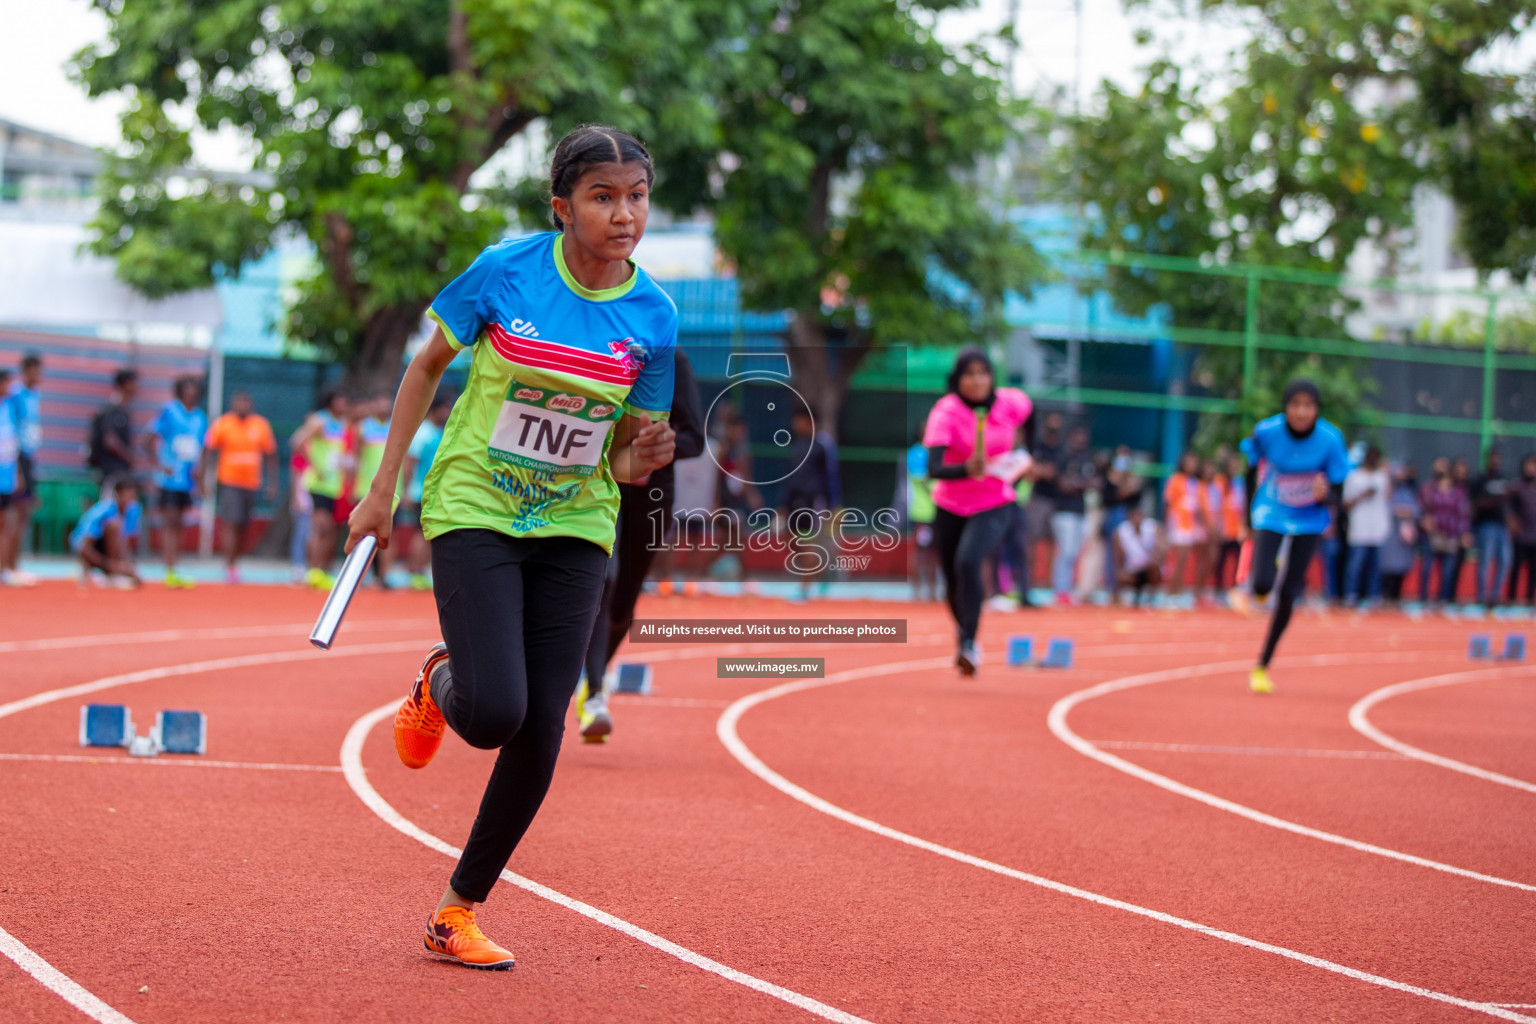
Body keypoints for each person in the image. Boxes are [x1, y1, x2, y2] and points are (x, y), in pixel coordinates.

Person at [345, 125, 677, 970]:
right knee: (494, 712)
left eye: (636, 195)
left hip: (576, 526)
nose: (624, 214)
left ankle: (458, 910)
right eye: (603, 197)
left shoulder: (654, 315)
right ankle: (440, 678)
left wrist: (639, 457)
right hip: (476, 506)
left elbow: (629, 446)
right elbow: (423, 371)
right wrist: (381, 492)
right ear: (562, 207)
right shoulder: (506, 271)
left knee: (541, 730)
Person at [576, 348, 704, 741]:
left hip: (651, 495)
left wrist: (660, 444)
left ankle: (592, 681)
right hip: (601, 485)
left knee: (623, 601)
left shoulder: (673, 362)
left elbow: (694, 439)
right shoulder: (599, 348)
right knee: (603, 581)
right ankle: (595, 692)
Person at [1231, 379, 1349, 694]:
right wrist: (1245, 518)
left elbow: (1338, 493)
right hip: (1271, 510)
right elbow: (1248, 470)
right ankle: (1268, 564)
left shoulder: (1331, 440)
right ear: (1285, 407)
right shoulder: (1266, 432)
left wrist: (1325, 496)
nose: (1301, 412)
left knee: (1288, 594)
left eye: (1308, 406)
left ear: (1317, 410)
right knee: (1261, 585)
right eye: (1295, 405)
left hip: (1309, 519)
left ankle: (1263, 664)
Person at [922, 348, 1033, 675]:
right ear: (958, 379)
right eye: (969, 374)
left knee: (969, 560)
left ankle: (969, 643)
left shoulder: (1010, 402)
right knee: (953, 582)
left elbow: (1033, 413)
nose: (977, 380)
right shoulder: (945, 412)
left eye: (983, 373)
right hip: (951, 503)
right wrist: (967, 470)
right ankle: (965, 633)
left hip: (995, 500)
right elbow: (934, 468)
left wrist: (1030, 452)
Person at [202, 391, 278, 584]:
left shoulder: (260, 425)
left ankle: (235, 562)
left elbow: (271, 455)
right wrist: (203, 477)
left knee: (243, 524)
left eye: (246, 402)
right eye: (239, 402)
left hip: (251, 482)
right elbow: (208, 449)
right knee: (231, 522)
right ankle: (229, 564)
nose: (243, 406)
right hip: (229, 481)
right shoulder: (223, 424)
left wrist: (272, 482)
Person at [146, 376, 207, 589]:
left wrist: (200, 478)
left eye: (194, 389)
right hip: (169, 479)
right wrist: (158, 464)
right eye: (187, 388)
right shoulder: (170, 411)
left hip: (187, 481)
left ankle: (175, 567)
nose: (191, 393)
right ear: (180, 391)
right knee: (169, 522)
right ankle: (168, 568)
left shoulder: (200, 417)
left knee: (180, 524)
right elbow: (149, 437)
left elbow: (202, 450)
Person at [291, 389, 350, 589]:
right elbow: (297, 441)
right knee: (320, 526)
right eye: (340, 400)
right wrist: (316, 466)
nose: (343, 404)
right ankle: (313, 570)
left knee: (330, 528)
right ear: (330, 402)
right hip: (318, 483)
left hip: (334, 484)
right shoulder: (320, 420)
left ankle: (322, 570)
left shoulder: (341, 423)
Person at [397, 394, 454, 590]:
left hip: (434, 492)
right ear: (435, 409)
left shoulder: (439, 432)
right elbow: (409, 463)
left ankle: (419, 571)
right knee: (421, 533)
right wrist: (406, 492)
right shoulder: (423, 433)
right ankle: (414, 571)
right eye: (445, 409)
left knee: (427, 533)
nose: (447, 413)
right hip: (420, 492)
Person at [4, 353, 42, 586]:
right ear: (26, 370)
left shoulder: (34, 394)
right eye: (35, 370)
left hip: (29, 458)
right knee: (14, 514)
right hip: (16, 459)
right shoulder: (15, 394)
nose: (39, 375)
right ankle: (8, 565)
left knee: (23, 514)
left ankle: (14, 564)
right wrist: (17, 466)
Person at [350, 394, 395, 588]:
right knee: (362, 533)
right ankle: (357, 578)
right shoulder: (363, 427)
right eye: (380, 401)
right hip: (366, 489)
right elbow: (355, 458)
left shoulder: (396, 426)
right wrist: (352, 485)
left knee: (387, 535)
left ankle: (382, 577)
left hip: (393, 490)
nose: (384, 406)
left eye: (387, 402)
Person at [1048, 425, 1096, 605]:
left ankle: (1067, 590)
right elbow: (1063, 484)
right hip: (1063, 511)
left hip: (1080, 510)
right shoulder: (1062, 456)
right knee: (1066, 551)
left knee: (1075, 552)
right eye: (1078, 436)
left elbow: (1095, 483)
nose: (1081, 440)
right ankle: (1059, 590)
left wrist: (1079, 484)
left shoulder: (1086, 458)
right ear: (1071, 436)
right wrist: (1081, 484)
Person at [71, 477, 142, 588]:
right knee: (114, 525)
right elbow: (84, 547)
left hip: (109, 553)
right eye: (128, 493)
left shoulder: (133, 510)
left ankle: (116, 573)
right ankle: (110, 575)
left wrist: (127, 566)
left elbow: (127, 541)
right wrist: (111, 567)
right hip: (87, 549)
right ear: (118, 494)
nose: (132, 498)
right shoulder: (103, 510)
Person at [1342, 446, 1390, 606]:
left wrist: (1387, 472)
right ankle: (1351, 594)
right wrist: (1362, 495)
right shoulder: (1354, 477)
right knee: (1355, 565)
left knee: (1376, 568)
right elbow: (1346, 503)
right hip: (1359, 528)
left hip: (1378, 528)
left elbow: (1389, 496)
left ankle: (1374, 596)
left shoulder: (1381, 476)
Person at [1419, 457, 1470, 606]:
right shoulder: (1429, 489)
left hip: (1451, 534)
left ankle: (1443, 599)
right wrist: (1423, 520)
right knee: (1427, 568)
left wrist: (1465, 533)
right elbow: (1421, 508)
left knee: (1447, 571)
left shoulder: (1458, 493)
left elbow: (1463, 515)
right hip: (1433, 534)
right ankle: (1424, 599)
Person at [1162, 451, 1207, 600]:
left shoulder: (1195, 483)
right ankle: (1171, 593)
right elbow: (1167, 503)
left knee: (1188, 561)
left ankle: (1183, 592)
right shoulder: (1175, 480)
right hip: (1178, 525)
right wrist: (1166, 525)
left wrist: (1202, 525)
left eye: (1194, 462)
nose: (1192, 465)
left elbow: (1198, 507)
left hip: (1191, 526)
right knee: (1178, 561)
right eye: (1189, 462)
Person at [1470, 449, 1512, 608]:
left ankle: (1495, 596)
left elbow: (1509, 501)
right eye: (1493, 458)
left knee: (1505, 560)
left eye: (1498, 458)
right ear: (1487, 460)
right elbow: (1478, 503)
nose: (1496, 461)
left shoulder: (1504, 478)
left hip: (1502, 526)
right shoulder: (1480, 480)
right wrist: (1497, 499)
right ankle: (1482, 596)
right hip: (1485, 525)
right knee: (1485, 561)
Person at [1379, 463, 1420, 605]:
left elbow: (1415, 509)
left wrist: (1403, 511)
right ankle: (1385, 596)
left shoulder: (1407, 491)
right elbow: (1386, 508)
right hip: (1388, 534)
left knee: (1401, 567)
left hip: (1403, 537)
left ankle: (1396, 596)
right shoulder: (1387, 490)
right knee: (1386, 566)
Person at [88, 369, 138, 485]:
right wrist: (129, 457)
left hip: (119, 469)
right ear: (125, 385)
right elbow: (110, 441)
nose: (136, 388)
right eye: (133, 383)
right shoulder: (112, 409)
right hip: (110, 471)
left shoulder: (124, 410)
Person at [905, 442, 940, 602]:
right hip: (921, 514)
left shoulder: (939, 453)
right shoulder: (916, 454)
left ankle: (933, 590)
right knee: (919, 552)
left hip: (937, 513)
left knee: (935, 553)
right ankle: (916, 590)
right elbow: (923, 482)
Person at [1113, 502, 1163, 607]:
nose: (1137, 520)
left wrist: (1155, 556)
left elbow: (1161, 549)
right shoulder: (1122, 531)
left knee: (1154, 567)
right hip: (1133, 570)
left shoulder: (1152, 528)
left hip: (1149, 568)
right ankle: (1135, 596)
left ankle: (1152, 598)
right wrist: (1119, 571)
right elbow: (1118, 556)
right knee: (1122, 576)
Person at [1212, 452, 1247, 590]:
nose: (1235, 466)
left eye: (1236, 464)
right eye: (1232, 464)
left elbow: (1243, 506)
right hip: (1223, 530)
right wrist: (1217, 527)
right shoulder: (1219, 481)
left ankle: (1236, 589)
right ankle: (1218, 590)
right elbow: (1215, 505)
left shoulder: (1239, 482)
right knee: (1220, 562)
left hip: (1237, 530)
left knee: (1239, 562)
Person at [1506, 455, 1536, 606]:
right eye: (1529, 465)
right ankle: (1511, 599)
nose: (1531, 469)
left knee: (1533, 572)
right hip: (1521, 535)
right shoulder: (1517, 486)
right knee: (1516, 568)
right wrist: (1512, 522)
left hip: (1535, 535)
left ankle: (1530, 599)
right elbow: (1508, 508)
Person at [0, 369, 18, 581]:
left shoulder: (9, 408)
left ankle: (5, 568)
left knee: (7, 522)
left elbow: (12, 445)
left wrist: (17, 474)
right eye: (5, 383)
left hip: (6, 477)